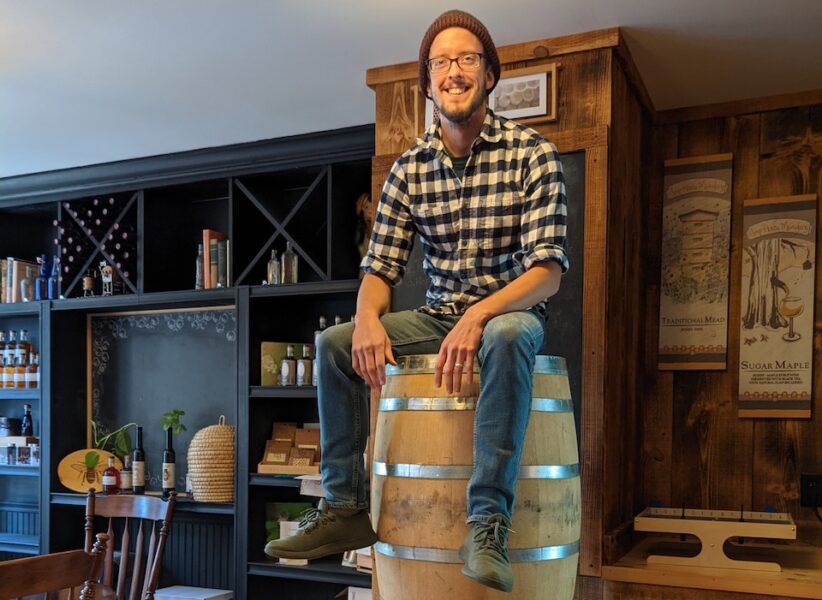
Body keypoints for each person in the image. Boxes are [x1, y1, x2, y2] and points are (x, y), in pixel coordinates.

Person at [264, 9, 568, 593]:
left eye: (467, 59)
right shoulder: (409, 168)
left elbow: (547, 274)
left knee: (505, 334)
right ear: (428, 84)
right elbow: (380, 268)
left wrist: (481, 314)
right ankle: (346, 508)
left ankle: (487, 526)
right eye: (441, 63)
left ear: (490, 76)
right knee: (332, 344)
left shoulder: (533, 154)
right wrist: (366, 319)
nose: (454, 71)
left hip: (513, 315)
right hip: (435, 318)